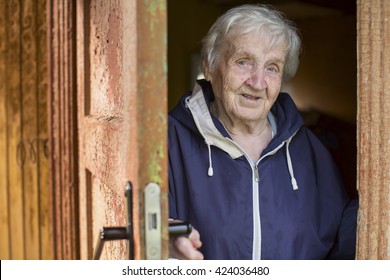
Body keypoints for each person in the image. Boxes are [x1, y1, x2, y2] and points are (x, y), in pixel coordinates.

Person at [168, 4, 358, 260]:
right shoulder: (169, 141)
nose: (258, 83)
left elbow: (344, 244)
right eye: (243, 62)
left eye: (272, 68)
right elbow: (143, 228)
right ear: (209, 66)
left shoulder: (309, 150)